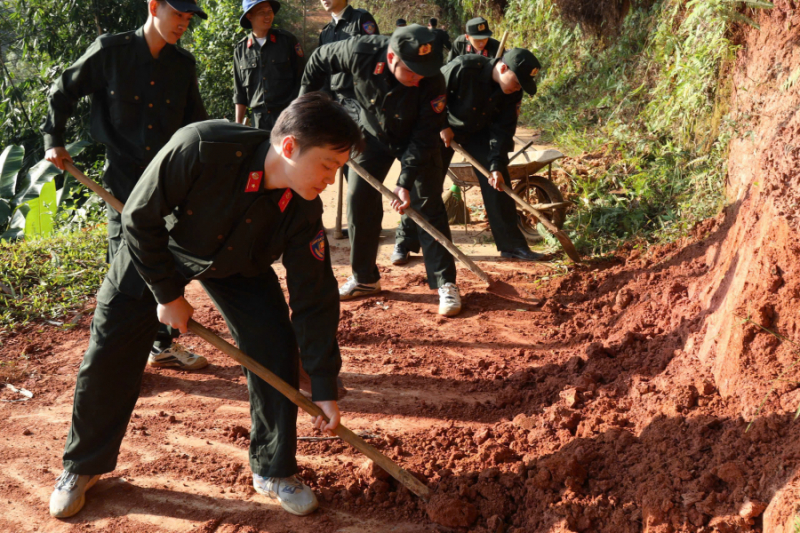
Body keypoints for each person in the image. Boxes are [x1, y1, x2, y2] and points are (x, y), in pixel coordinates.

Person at [47, 93, 362, 519]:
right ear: (289, 147)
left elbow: (315, 297)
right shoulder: (202, 147)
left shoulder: (303, 207)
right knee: (111, 348)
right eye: (327, 165)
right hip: (160, 251)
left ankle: (275, 469)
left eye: (339, 169)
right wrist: (166, 294)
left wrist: (323, 385)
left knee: (273, 347)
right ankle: (81, 466)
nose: (330, 178)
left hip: (238, 265)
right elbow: (139, 218)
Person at [42, 0, 210, 370]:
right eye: (177, 14)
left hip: (166, 180)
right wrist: (53, 139)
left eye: (188, 17)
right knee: (124, 259)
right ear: (154, 6)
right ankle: (115, 355)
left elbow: (193, 125)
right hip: (121, 178)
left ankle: (161, 345)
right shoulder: (110, 52)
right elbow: (62, 90)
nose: (183, 23)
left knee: (165, 254)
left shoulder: (182, 66)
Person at [300, 25, 462, 317]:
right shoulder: (359, 51)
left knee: (428, 204)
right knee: (358, 199)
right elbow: (318, 59)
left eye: (422, 71)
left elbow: (425, 136)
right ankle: (364, 278)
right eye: (411, 71)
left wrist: (404, 182)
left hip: (415, 139)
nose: (418, 78)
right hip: (372, 135)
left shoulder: (432, 79)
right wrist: (305, 107)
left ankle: (445, 282)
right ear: (391, 57)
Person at [430, 48, 544, 261]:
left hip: (477, 132)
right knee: (427, 184)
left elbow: (503, 130)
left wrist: (496, 165)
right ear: (503, 67)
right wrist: (442, 124)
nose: (518, 88)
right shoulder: (464, 67)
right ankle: (405, 241)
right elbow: (432, 92)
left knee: (499, 183)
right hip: (443, 128)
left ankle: (512, 246)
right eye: (517, 82)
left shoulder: (512, 93)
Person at [234, 0, 305, 130]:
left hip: (287, 116)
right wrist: (237, 126)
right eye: (262, 12)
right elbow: (239, 92)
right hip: (258, 121)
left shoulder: (287, 41)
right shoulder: (241, 49)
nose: (267, 16)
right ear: (249, 16)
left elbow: (303, 79)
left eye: (270, 11)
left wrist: (298, 114)